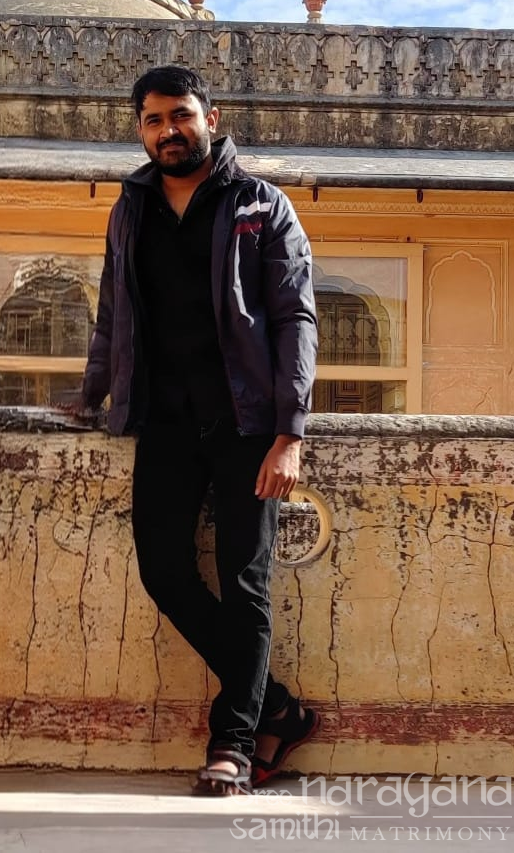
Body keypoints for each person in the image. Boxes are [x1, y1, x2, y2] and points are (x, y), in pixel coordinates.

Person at [82, 64, 319, 795]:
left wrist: (289, 432)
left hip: (247, 424)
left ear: (210, 119)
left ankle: (234, 742)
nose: (169, 131)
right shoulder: (131, 208)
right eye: (153, 120)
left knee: (245, 582)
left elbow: (295, 316)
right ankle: (278, 707)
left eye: (180, 115)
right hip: (163, 420)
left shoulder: (260, 204)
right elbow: (114, 307)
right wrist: (92, 391)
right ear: (140, 129)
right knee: (164, 571)